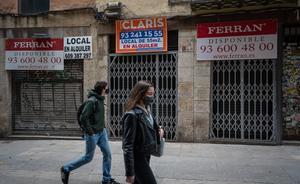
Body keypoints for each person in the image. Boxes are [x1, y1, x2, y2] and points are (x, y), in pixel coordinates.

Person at [60, 81, 120, 184]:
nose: (108, 90)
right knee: (88, 158)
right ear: (102, 89)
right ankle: (66, 168)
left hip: (102, 133)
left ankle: (106, 179)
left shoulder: (100, 99)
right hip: (93, 134)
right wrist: (90, 132)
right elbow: (83, 117)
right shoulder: (92, 101)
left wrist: (103, 127)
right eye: (106, 88)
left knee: (108, 154)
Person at [122, 80, 164, 184]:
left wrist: (160, 130)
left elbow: (153, 127)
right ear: (140, 94)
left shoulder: (146, 110)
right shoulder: (132, 115)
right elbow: (127, 146)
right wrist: (129, 173)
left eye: (153, 94)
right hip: (137, 158)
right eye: (149, 94)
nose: (152, 96)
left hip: (146, 154)